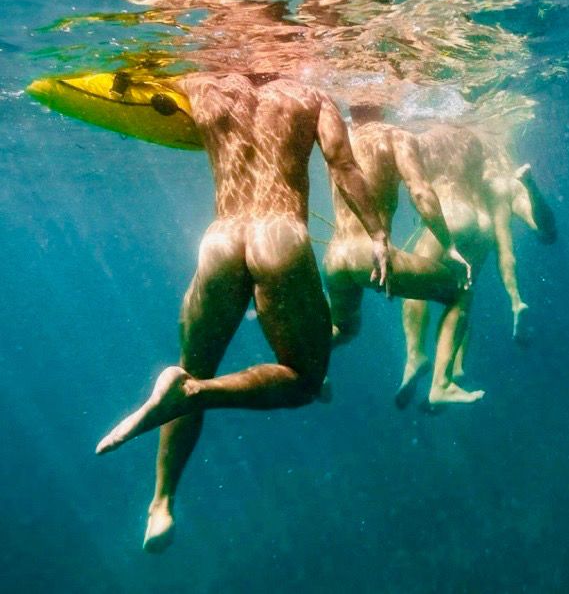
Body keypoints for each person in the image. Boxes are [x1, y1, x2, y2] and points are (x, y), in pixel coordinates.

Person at [95, 72, 391, 552]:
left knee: (194, 361)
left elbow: (130, 84)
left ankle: (161, 504)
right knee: (305, 380)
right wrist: (378, 234)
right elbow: (343, 166)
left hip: (220, 239)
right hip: (281, 235)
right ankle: (193, 393)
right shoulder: (309, 96)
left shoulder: (198, 82)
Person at [323, 103, 481, 408]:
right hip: (368, 256)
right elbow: (420, 192)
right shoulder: (395, 136)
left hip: (335, 257)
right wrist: (448, 244)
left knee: (344, 328)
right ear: (383, 105)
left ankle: (304, 365)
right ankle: (442, 384)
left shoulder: (339, 139)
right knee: (461, 289)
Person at [400, 124, 557, 407]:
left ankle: (415, 355)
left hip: (454, 215)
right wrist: (528, 187)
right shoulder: (503, 176)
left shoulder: (445, 147)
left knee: (414, 280)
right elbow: (545, 235)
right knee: (461, 297)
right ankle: (447, 375)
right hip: (482, 226)